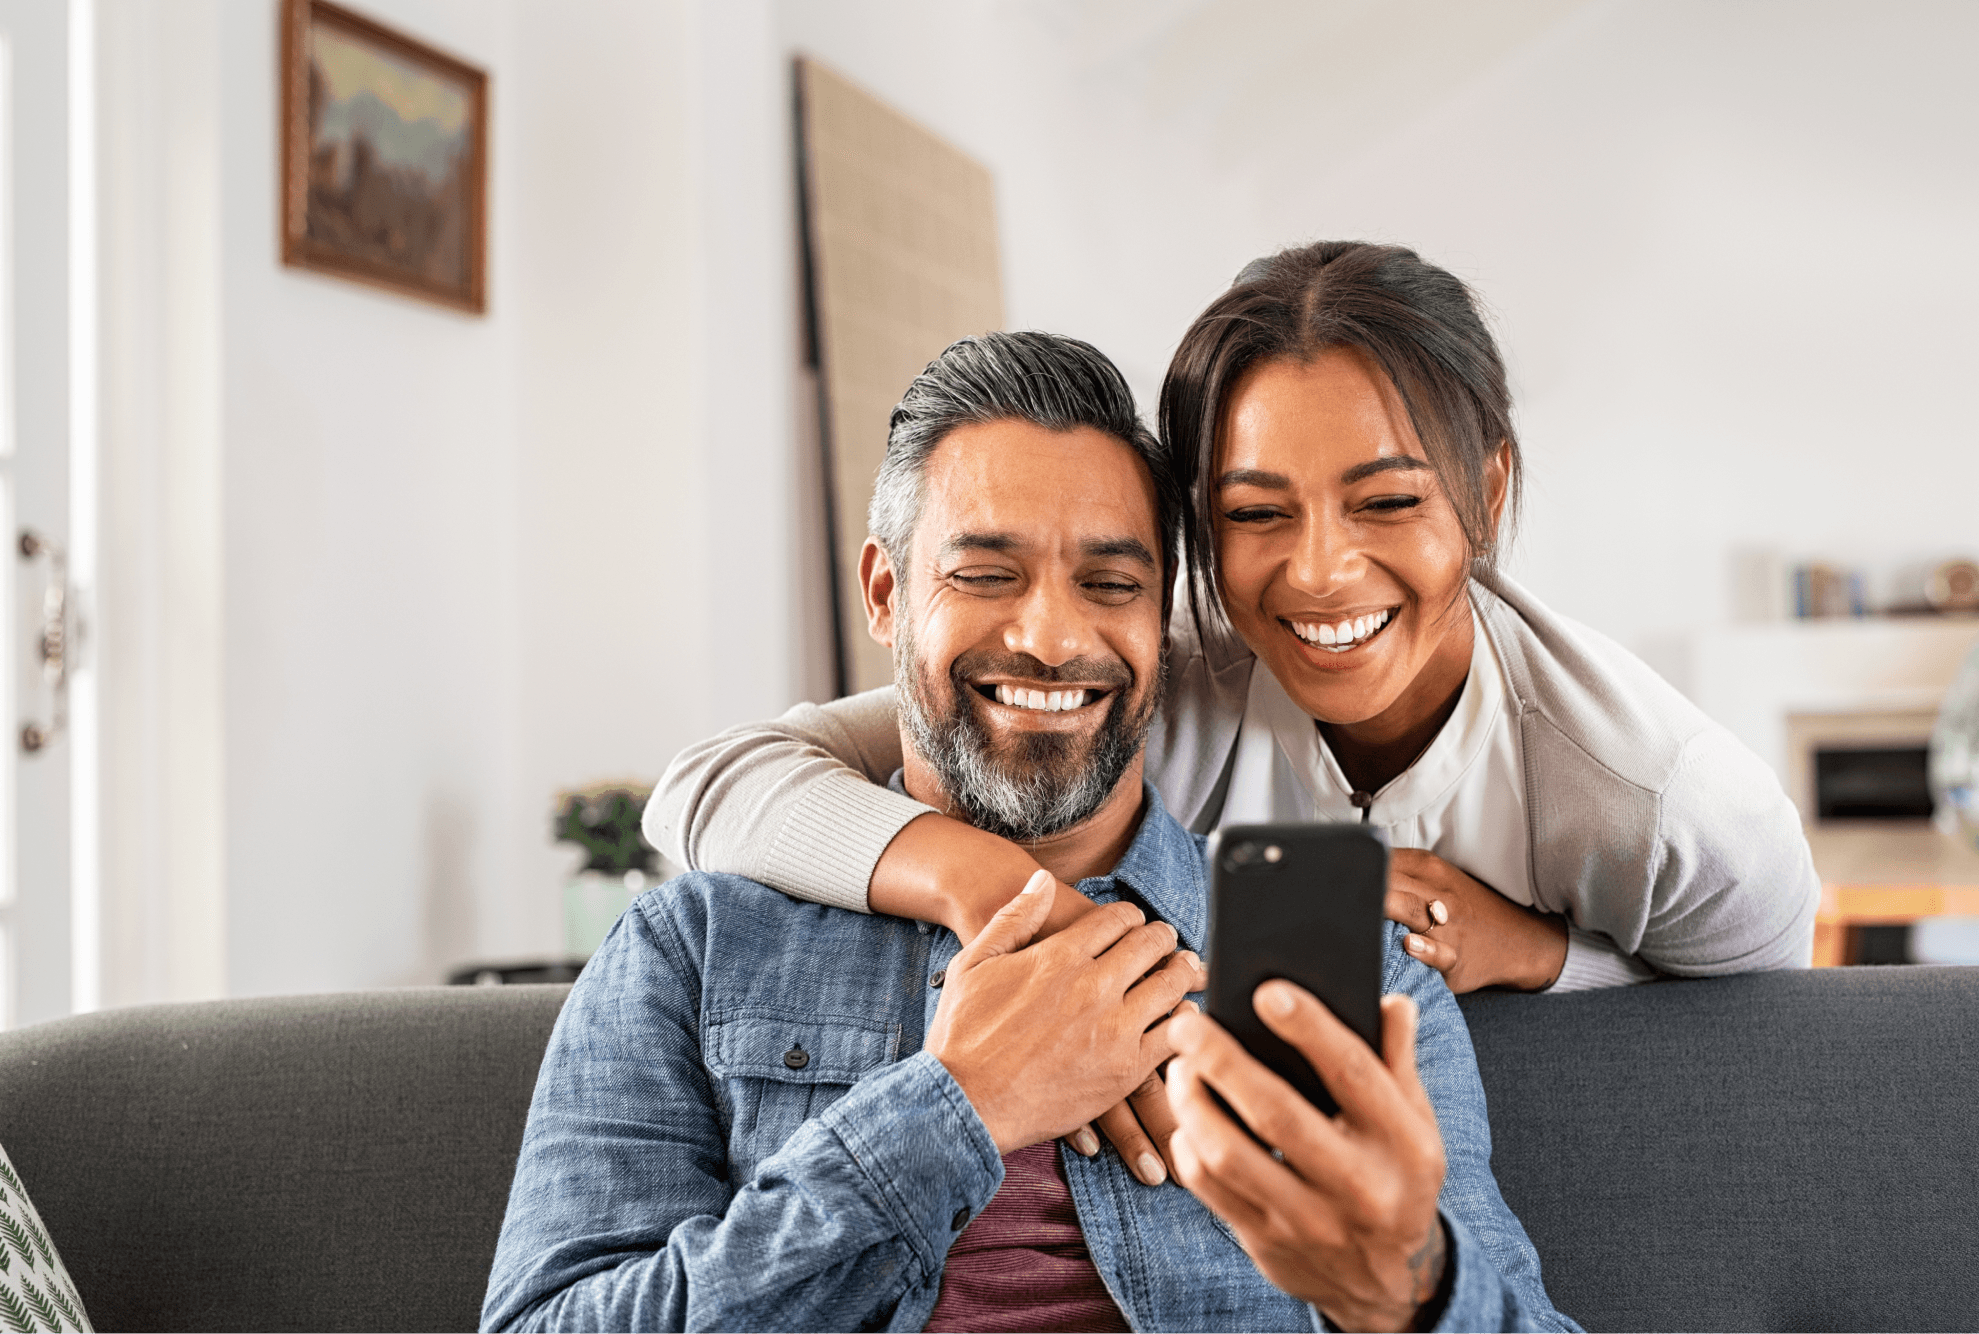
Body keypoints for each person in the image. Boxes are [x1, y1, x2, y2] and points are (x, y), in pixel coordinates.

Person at [484, 332, 1577, 1333]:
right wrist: (954, 1107)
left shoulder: (1360, 971)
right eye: (985, 574)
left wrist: (1411, 1284)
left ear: (1164, 621)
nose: (1051, 637)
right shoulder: (692, 947)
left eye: (1108, 582)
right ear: (884, 591)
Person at [645, 243, 1816, 991]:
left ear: (1487, 490)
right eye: (1256, 512)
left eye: (1387, 501)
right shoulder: (1157, 681)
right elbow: (711, 785)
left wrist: (1538, 955)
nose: (1316, 573)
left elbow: (1768, 1011)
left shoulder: (1651, 791)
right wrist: (983, 878)